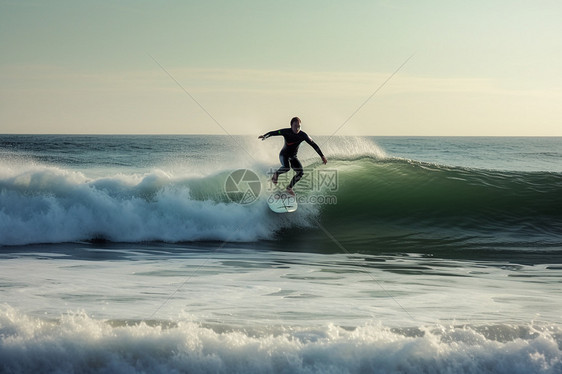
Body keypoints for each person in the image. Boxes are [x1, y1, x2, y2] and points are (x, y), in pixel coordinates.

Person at [258, 117, 327, 196]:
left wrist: (322, 156)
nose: (297, 128)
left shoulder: (303, 135)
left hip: (293, 157)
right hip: (283, 155)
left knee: (300, 173)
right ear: (291, 126)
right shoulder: (286, 131)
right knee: (287, 167)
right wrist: (265, 136)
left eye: (299, 126)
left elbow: (313, 145)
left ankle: (289, 188)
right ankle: (276, 174)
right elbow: (274, 132)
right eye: (295, 126)